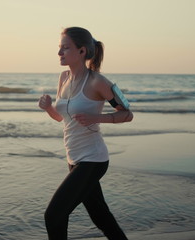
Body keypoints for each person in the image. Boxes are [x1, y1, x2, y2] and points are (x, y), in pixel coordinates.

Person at [38, 27, 133, 240]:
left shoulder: (97, 81)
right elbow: (63, 118)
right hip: (73, 158)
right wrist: (48, 108)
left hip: (93, 159)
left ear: (82, 51)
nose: (60, 53)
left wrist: (97, 118)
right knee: (101, 217)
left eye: (65, 48)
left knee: (53, 215)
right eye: (59, 48)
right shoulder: (63, 78)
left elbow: (127, 114)